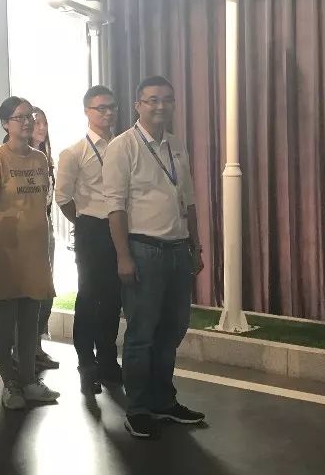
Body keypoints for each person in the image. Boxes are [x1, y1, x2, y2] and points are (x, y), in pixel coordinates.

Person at [102, 76, 206, 439]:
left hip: (177, 249)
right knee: (142, 333)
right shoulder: (123, 146)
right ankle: (138, 408)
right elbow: (115, 208)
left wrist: (196, 245)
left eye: (167, 99)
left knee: (173, 329)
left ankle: (164, 400)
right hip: (143, 250)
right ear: (138, 105)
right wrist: (123, 257)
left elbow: (188, 200)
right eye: (152, 100)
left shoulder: (176, 144)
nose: (160, 106)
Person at [0, 96, 59, 410]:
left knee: (30, 321)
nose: (27, 122)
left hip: (35, 252)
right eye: (19, 117)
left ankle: (28, 380)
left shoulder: (39, 159)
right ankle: (10, 384)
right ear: (5, 124)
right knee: (5, 322)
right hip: (6, 252)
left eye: (30, 116)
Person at [56, 85, 122, 394]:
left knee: (113, 299)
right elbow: (62, 198)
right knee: (89, 298)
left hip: (121, 228)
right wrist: (84, 223)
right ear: (87, 112)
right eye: (100, 108)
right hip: (91, 229)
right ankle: (87, 364)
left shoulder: (124, 146)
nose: (108, 113)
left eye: (112, 107)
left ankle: (108, 361)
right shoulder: (74, 152)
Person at [30, 106, 59, 369]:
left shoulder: (46, 157)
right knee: (29, 290)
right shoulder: (19, 158)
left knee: (46, 290)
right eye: (36, 122)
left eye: (44, 123)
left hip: (45, 226)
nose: (41, 127)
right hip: (26, 230)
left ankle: (37, 344)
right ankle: (23, 348)